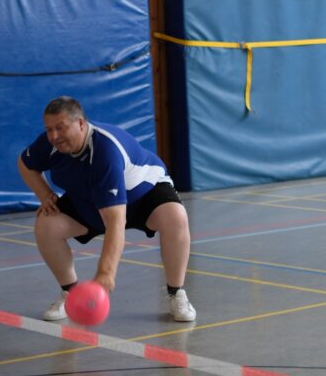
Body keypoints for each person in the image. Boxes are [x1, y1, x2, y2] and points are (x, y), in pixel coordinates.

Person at [18, 96, 196, 323]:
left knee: (175, 217)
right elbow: (25, 164)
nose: (54, 136)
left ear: (81, 123)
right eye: (49, 129)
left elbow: (115, 222)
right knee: (47, 225)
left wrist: (105, 273)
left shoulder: (105, 151)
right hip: (90, 198)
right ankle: (71, 293)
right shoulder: (49, 144)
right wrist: (45, 195)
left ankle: (176, 292)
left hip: (143, 194)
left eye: (60, 128)